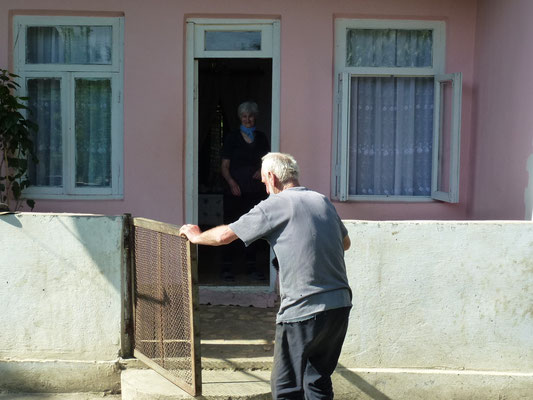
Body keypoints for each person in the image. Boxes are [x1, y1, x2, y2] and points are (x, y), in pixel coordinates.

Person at [180, 152, 352, 399]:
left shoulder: (276, 203)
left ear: (272, 177)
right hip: (339, 306)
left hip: (303, 309)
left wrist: (196, 236)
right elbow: (345, 243)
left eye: (263, 181)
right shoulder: (322, 200)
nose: (264, 187)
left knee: (285, 387)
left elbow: (224, 236)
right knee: (317, 381)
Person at [220, 101, 270, 282]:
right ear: (240, 118)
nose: (247, 119)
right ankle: (227, 268)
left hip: (255, 190)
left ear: (254, 117)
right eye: (244, 116)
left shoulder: (261, 137)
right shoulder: (232, 137)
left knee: (254, 227)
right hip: (236, 191)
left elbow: (267, 160)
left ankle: (252, 267)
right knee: (231, 226)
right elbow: (224, 166)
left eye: (250, 116)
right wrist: (231, 182)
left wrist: (261, 169)